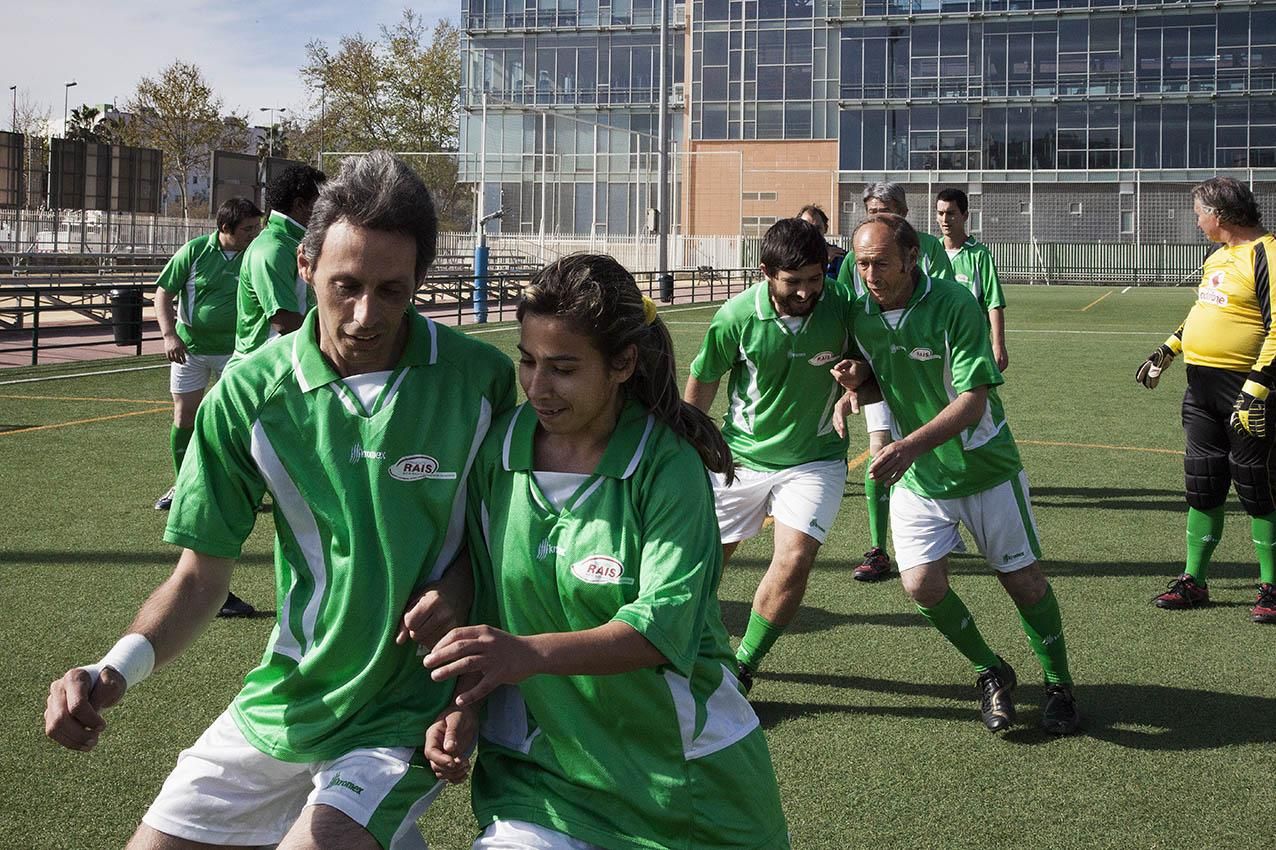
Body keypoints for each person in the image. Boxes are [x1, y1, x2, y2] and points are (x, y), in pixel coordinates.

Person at [44, 151, 517, 848]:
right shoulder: (247, 398)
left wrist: (463, 582)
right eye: (344, 286)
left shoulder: (481, 381)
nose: (364, 315)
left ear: (420, 280)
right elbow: (200, 577)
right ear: (304, 267)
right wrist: (113, 669)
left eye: (393, 291)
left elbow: (522, 533)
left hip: (405, 706)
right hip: (288, 698)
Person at [422, 253, 791, 850]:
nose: (538, 387)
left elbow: (658, 629)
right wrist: (463, 701)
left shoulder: (667, 467)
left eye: (563, 368)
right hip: (543, 783)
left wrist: (525, 654)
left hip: (682, 788)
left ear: (622, 364)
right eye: (528, 361)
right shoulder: (497, 450)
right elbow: (481, 586)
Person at [831, 213, 1079, 734]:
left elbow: (972, 402)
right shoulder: (859, 313)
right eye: (861, 264)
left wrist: (906, 446)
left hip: (985, 468)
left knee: (1023, 583)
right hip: (922, 477)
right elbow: (878, 374)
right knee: (920, 584)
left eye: (880, 264)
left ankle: (1059, 684)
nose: (869, 275)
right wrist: (856, 382)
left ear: (911, 259)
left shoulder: (953, 304)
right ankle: (991, 672)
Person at [683, 217, 856, 690]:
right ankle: (678, 652)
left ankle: (742, 668)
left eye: (815, 280)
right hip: (740, 460)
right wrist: (687, 443)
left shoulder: (843, 305)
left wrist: (858, 384)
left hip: (815, 459)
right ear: (766, 272)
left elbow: (873, 359)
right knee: (696, 568)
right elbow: (704, 377)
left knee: (795, 559)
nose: (806, 292)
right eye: (793, 282)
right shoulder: (736, 317)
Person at [1137, 176, 1276, 624]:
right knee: (1203, 485)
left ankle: (1271, 588)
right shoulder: (1217, 256)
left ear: (1219, 215)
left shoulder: (1267, 253)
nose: (1197, 222)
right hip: (1201, 389)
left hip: (1250, 388)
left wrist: (1255, 392)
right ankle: (1194, 581)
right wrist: (1169, 349)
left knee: (1259, 488)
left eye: (1199, 214)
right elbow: (1204, 309)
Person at [836, 182, 957, 583]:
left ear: (904, 213)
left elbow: (940, 297)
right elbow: (847, 318)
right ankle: (878, 548)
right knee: (880, 454)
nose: (878, 218)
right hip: (878, 369)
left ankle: (947, 519)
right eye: (871, 211)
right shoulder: (859, 254)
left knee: (936, 444)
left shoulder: (926, 248)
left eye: (886, 210)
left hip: (925, 368)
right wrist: (851, 380)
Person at [153, 197, 263, 517]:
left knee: (238, 423)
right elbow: (163, 293)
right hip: (190, 351)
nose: (254, 233)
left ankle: (242, 488)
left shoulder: (256, 254)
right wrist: (169, 335)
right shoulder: (195, 250)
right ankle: (183, 484)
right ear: (225, 228)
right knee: (184, 416)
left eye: (257, 227)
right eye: (248, 228)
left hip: (238, 353)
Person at [229, 163, 327, 365]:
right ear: (300, 205)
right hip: (260, 369)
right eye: (321, 202)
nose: (326, 210)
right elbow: (283, 322)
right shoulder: (272, 248)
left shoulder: (291, 242)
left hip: (283, 360)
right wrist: (331, 341)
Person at [936, 187, 1009, 372]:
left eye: (951, 213)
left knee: (978, 398)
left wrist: (998, 345)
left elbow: (993, 302)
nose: (945, 219)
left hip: (971, 343)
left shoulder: (979, 254)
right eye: (940, 213)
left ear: (965, 215)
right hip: (935, 343)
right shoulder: (930, 252)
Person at [797, 202, 848, 280]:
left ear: (825, 228)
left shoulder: (839, 257)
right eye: (807, 227)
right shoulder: (792, 256)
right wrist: (823, 262)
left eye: (818, 228)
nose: (812, 232)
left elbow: (843, 288)